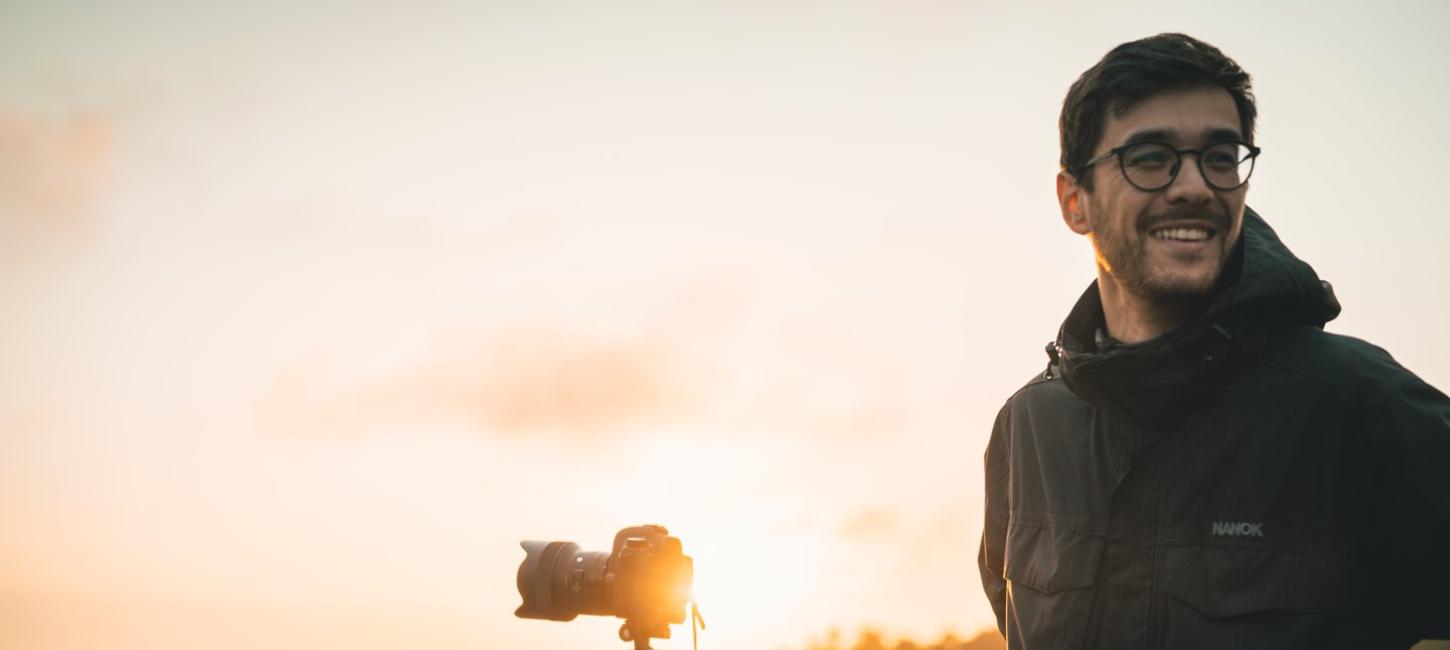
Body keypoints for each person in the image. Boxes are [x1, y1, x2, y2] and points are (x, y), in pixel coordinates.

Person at [977, 33, 1450, 649]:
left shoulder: (1366, 407)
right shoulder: (1028, 429)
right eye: (1150, 157)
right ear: (1075, 201)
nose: (1196, 186)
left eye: (1221, 156)